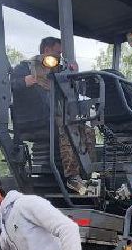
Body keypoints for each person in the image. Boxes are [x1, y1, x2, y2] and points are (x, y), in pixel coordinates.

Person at [12, 37, 90, 193]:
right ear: (46, 50)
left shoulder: (57, 70)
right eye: (57, 53)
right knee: (67, 127)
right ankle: (72, 177)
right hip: (31, 119)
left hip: (51, 117)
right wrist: (26, 81)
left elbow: (78, 92)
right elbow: (10, 86)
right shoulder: (25, 68)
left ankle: (86, 173)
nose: (59, 57)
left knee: (86, 129)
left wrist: (74, 74)